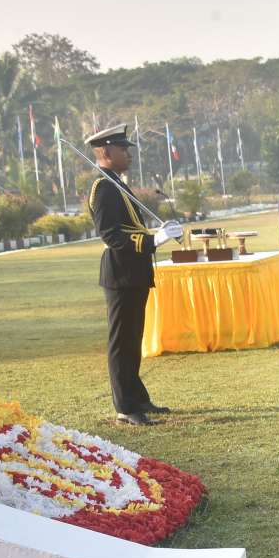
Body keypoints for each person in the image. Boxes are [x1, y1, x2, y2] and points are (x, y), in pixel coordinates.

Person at [85, 126, 182, 426]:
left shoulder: (116, 183)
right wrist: (152, 241)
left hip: (134, 273)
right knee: (121, 342)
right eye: (123, 149)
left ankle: (137, 397)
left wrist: (158, 232)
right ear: (106, 152)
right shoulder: (103, 187)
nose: (128, 154)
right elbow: (111, 234)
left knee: (133, 338)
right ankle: (125, 407)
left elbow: (130, 227)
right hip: (120, 273)